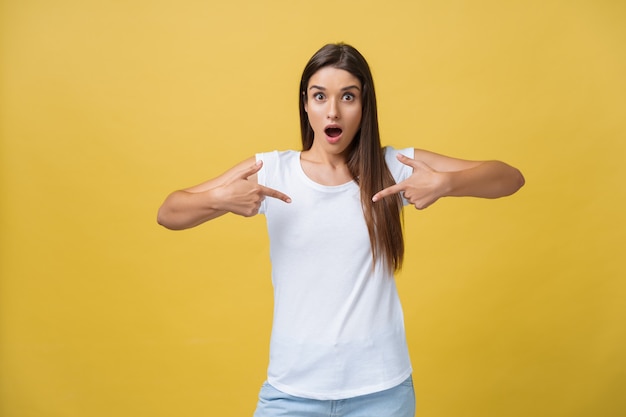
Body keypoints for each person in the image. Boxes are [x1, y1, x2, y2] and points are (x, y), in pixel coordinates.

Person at [157, 43, 524, 417]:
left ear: (364, 106)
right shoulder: (271, 171)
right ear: (305, 103)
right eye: (320, 96)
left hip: (382, 393)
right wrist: (219, 198)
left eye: (348, 97)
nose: (333, 111)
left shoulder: (392, 167)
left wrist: (446, 184)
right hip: (292, 393)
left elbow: (509, 178)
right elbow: (169, 212)